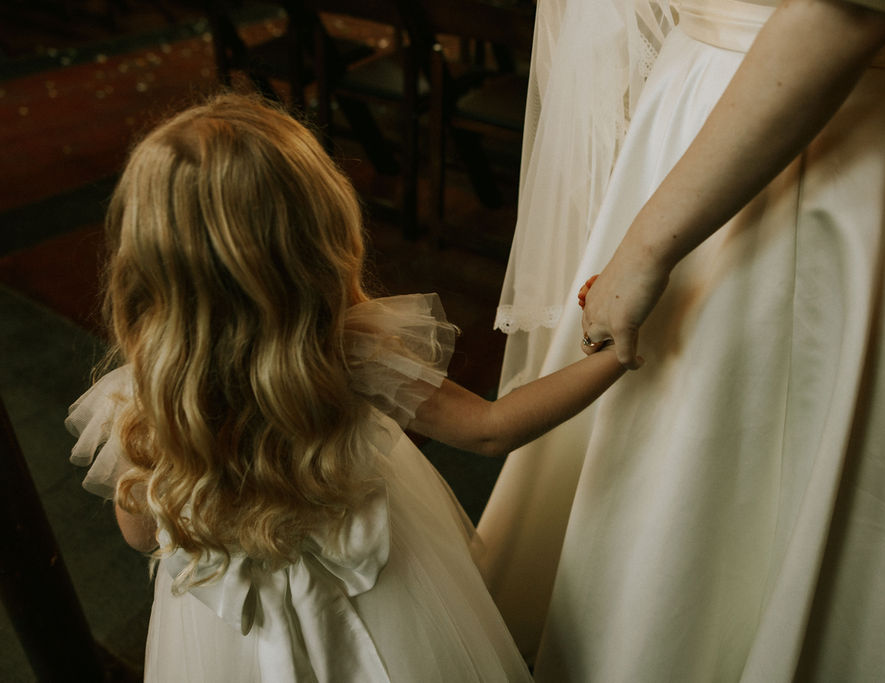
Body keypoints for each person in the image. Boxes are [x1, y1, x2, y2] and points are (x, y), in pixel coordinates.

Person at [480, 0, 885, 680]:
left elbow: (846, 15)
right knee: (661, 464)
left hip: (819, 164)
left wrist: (644, 249)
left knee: (733, 475)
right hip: (700, 123)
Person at [64, 93, 625, 682]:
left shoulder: (145, 396)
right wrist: (615, 355)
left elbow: (141, 535)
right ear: (314, 235)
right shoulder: (348, 353)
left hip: (226, 633)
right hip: (386, 591)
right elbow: (491, 431)